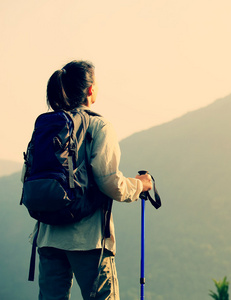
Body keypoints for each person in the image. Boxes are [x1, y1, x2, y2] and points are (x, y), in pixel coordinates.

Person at [28, 60, 153, 299]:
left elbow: (30, 176)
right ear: (90, 90)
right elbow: (110, 182)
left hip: (48, 236)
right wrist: (141, 185)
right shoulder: (98, 126)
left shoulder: (48, 127)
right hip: (88, 240)